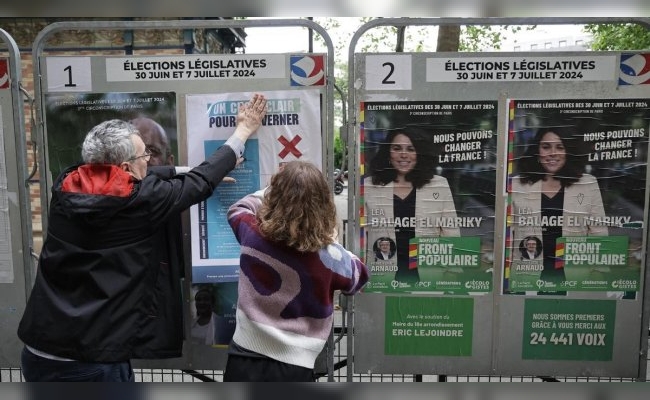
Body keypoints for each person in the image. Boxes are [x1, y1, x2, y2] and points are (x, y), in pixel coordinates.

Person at [17, 93, 268, 382]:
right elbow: (200, 183)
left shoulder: (67, 184)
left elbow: (140, 176)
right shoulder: (139, 204)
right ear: (123, 169)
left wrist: (179, 169)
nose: (148, 161)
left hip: (39, 349)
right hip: (91, 361)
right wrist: (244, 130)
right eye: (143, 156)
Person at [223, 160, 369, 382]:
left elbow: (238, 208)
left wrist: (275, 188)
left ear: (275, 198)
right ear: (323, 204)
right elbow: (360, 277)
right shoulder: (331, 257)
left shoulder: (252, 234)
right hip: (296, 368)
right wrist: (333, 241)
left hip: (242, 358)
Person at [510, 125, 607, 293]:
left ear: (568, 151)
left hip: (574, 279)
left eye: (560, 147)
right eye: (546, 147)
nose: (552, 153)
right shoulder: (518, 184)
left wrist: (598, 274)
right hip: (527, 279)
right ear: (537, 150)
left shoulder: (587, 183)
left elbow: (599, 234)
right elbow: (508, 235)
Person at [364, 126, 459, 284]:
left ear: (419, 154)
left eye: (410, 149)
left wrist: (452, 275)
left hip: (428, 278)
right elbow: (362, 236)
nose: (403, 154)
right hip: (382, 277)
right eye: (397, 148)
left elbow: (451, 232)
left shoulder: (439, 185)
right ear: (388, 153)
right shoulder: (368, 186)